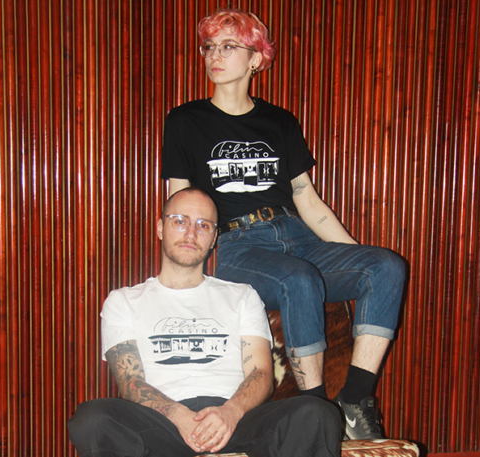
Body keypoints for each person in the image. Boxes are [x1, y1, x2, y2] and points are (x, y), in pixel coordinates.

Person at [160, 9, 405, 439]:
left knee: (386, 267)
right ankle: (316, 412)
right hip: (240, 247)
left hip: (297, 235)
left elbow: (307, 199)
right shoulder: (185, 121)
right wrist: (183, 275)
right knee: (298, 280)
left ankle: (354, 399)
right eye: (209, 46)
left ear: (256, 59)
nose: (214, 55)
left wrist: (354, 257)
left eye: (229, 46)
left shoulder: (280, 121)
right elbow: (179, 204)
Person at [68, 187, 342, 457]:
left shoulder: (243, 296)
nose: (191, 233)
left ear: (214, 239)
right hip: (161, 424)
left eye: (203, 225)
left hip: (235, 420)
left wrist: (230, 413)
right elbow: (131, 383)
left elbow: (261, 374)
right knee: (92, 419)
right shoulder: (123, 301)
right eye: (180, 221)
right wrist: (180, 417)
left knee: (316, 413)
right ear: (161, 228)